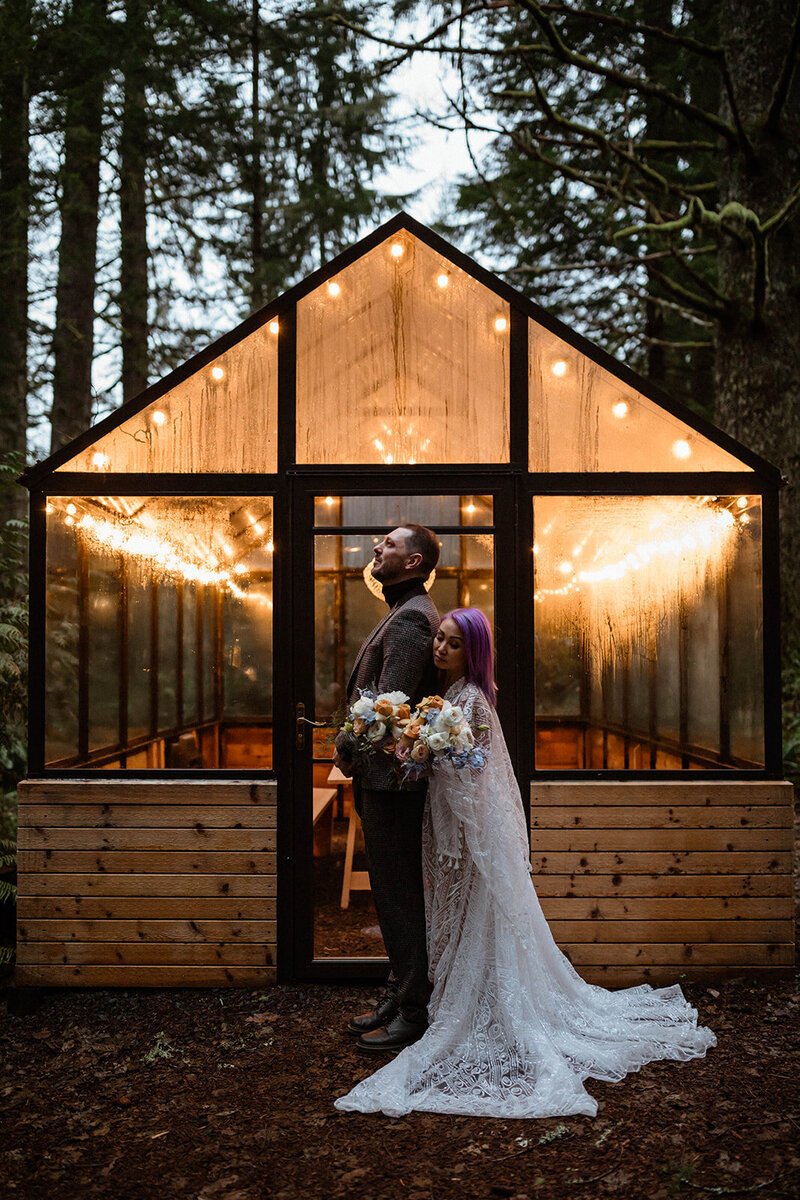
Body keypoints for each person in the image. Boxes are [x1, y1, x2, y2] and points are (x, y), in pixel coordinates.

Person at [335, 608, 716, 1118]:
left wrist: (422, 755)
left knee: (478, 919)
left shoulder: (469, 700)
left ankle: (479, 1009)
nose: (439, 650)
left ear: (472, 652)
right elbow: (443, 760)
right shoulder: (447, 697)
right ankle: (447, 1000)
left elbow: (474, 773)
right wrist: (410, 749)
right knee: (454, 919)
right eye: (439, 641)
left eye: (451, 644)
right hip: (449, 824)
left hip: (468, 831)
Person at [333, 524, 440, 1052]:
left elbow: (390, 706)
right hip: (384, 779)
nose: (378, 547)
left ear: (414, 562)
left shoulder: (415, 619)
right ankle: (400, 991)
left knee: (399, 894)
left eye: (390, 544)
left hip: (394, 784)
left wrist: (346, 745)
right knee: (391, 892)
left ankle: (416, 1010)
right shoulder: (401, 611)